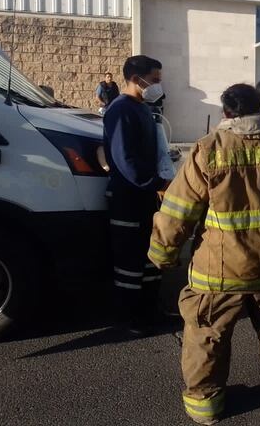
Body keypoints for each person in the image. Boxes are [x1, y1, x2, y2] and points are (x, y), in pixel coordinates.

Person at [148, 83, 260, 425]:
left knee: (207, 333)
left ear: (227, 112)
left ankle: (206, 407)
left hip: (218, 270)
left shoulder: (208, 149)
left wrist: (163, 255)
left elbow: (178, 211)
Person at [102, 55, 169, 336]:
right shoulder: (120, 110)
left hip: (145, 197)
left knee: (149, 258)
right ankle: (131, 318)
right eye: (153, 80)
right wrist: (155, 183)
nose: (157, 86)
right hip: (128, 197)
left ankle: (151, 312)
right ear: (136, 79)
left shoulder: (142, 108)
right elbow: (125, 160)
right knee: (130, 262)